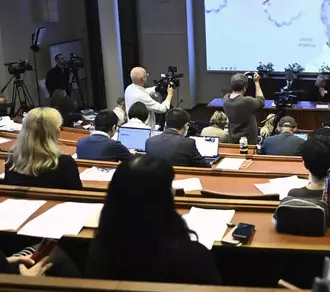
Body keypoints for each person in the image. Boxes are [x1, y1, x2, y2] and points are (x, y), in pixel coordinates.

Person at [86, 155, 221, 285]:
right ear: (162, 199)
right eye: (169, 186)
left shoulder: (100, 250)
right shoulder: (194, 256)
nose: (173, 190)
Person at [4, 107, 82, 190]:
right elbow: (78, 196)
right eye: (59, 127)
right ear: (54, 132)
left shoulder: (12, 159)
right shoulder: (65, 163)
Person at [223, 72, 265, 145]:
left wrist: (242, 78)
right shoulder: (246, 102)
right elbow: (261, 101)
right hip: (248, 142)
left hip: (233, 141)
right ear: (245, 88)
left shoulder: (225, 99)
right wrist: (257, 82)